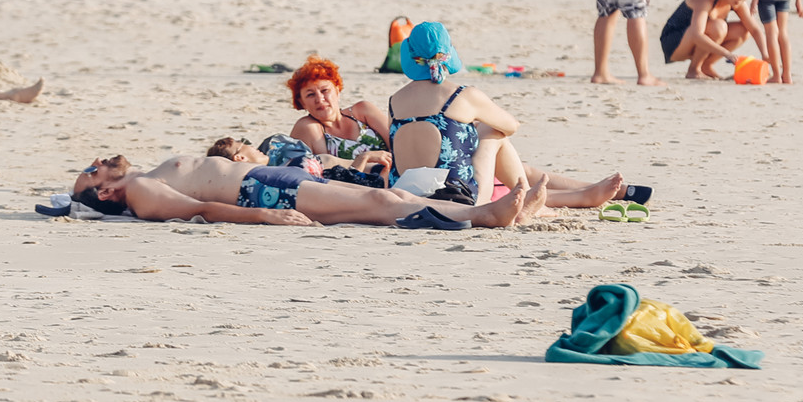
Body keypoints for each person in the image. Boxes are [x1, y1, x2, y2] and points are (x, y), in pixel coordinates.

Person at [386, 22, 630, 207]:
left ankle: (555, 193)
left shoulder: (395, 101)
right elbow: (511, 126)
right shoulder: (462, 95)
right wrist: (474, 120)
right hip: (458, 198)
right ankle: (532, 195)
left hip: (405, 198)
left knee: (470, 133)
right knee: (494, 132)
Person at [66, 152, 540, 228]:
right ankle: (483, 217)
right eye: (92, 171)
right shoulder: (142, 193)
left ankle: (486, 209)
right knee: (378, 204)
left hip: (271, 180)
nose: (100, 161)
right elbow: (204, 208)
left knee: (385, 201)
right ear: (105, 195)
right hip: (263, 195)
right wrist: (265, 216)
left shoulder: (144, 176)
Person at [285, 56, 392, 169]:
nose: (320, 99)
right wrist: (365, 158)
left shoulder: (363, 110)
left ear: (337, 91)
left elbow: (398, 144)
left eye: (324, 90)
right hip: (360, 184)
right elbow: (328, 175)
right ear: (302, 102)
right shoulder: (310, 128)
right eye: (310, 94)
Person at [659, 0, 759, 79]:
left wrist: (767, 57)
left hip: (695, 40)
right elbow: (697, 35)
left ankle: (706, 66)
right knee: (718, 27)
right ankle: (694, 70)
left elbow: (755, 30)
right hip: (673, 42)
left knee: (744, 30)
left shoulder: (737, 0)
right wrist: (727, 54)